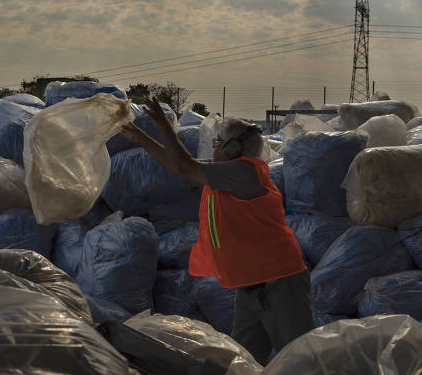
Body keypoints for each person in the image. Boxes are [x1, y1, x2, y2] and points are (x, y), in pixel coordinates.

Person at [120, 97, 313, 364]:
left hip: (278, 280)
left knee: (299, 359)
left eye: (218, 143)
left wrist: (163, 127)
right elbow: (179, 166)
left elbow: (185, 166)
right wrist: (141, 138)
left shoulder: (245, 172)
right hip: (251, 282)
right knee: (242, 358)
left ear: (233, 149)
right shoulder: (228, 173)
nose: (214, 148)